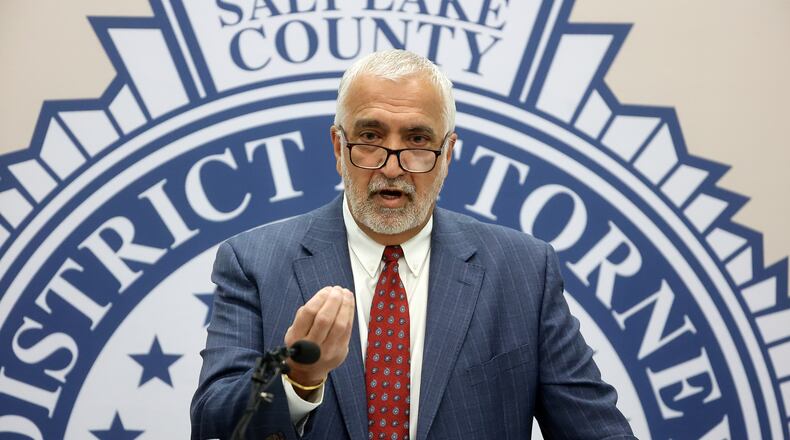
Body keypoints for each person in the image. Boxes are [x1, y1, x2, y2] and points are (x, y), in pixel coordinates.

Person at [191, 49, 636, 440]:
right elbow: (213, 422)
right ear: (338, 147)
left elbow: (596, 429)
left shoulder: (524, 271)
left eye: (417, 140)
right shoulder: (254, 262)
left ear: (448, 154)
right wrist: (299, 379)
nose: (392, 166)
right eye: (370, 137)